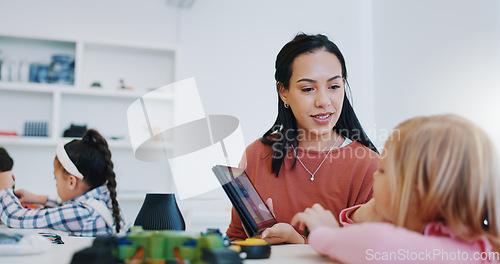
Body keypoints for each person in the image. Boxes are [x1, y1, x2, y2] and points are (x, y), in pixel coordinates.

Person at [226, 33, 380, 244]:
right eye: (308, 89)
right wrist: (256, 240)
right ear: (284, 92)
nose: (324, 101)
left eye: (334, 87)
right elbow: (235, 239)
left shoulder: (369, 166)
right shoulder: (256, 156)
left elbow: (374, 252)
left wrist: (297, 241)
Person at [291, 114, 500, 263]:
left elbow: (376, 242)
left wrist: (325, 233)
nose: (374, 174)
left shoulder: (427, 253)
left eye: (382, 170)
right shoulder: (479, 246)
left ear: (414, 197)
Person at [0, 129, 125, 236]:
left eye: (56, 179)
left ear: (71, 182)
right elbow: (70, 204)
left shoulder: (82, 214)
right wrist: (36, 198)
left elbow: (15, 218)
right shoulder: (103, 199)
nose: (55, 184)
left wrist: (4, 188)